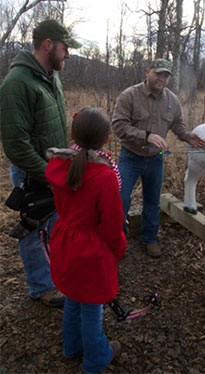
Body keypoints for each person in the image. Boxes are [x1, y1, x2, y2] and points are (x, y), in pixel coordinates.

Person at [0, 19, 81, 307]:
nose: (68, 54)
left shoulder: (51, 77)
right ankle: (41, 288)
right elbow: (16, 146)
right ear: (48, 44)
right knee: (34, 227)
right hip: (32, 172)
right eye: (65, 47)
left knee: (53, 226)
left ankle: (53, 275)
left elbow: (50, 124)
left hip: (53, 168)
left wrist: (67, 153)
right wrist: (49, 174)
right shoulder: (16, 84)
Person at [45, 107, 127, 374]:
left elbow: (60, 205)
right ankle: (96, 359)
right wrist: (118, 249)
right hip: (91, 252)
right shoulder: (104, 176)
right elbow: (112, 225)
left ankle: (71, 347)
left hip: (64, 242)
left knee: (72, 298)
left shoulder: (58, 163)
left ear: (73, 133)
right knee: (92, 310)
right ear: (105, 140)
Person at [112, 58, 205, 258]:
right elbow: (118, 126)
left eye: (166, 75)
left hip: (155, 160)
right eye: (158, 73)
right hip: (130, 157)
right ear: (148, 72)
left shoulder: (171, 100)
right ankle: (118, 240)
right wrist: (146, 136)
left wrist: (188, 136)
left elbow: (177, 125)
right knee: (120, 200)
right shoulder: (129, 95)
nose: (161, 79)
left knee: (153, 201)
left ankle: (149, 238)